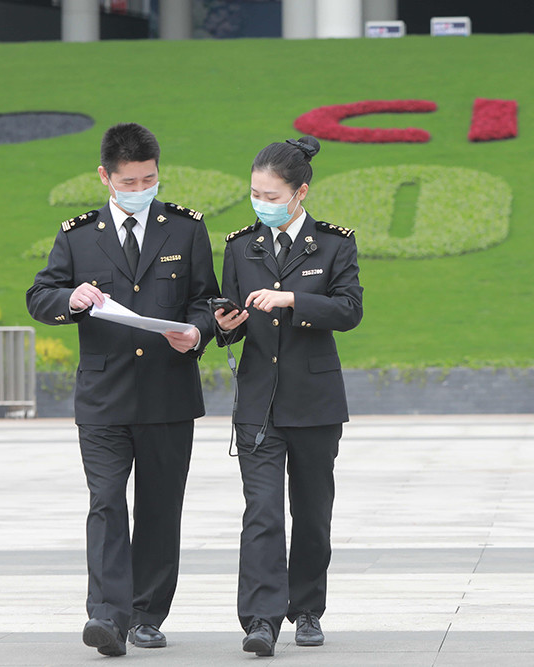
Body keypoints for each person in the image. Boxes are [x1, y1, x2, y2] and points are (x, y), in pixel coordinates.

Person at [26, 123, 219, 657]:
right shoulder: (78, 234)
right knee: (106, 501)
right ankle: (107, 615)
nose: (140, 188)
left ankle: (148, 614)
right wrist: (73, 298)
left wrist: (198, 331)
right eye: (129, 180)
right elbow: (40, 295)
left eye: (149, 178)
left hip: (167, 394)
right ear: (105, 177)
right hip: (104, 398)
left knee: (160, 507)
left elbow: (207, 298)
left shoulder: (185, 229)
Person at [214, 135, 363, 657]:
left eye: (272, 195)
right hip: (257, 403)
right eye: (255, 193)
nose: (262, 203)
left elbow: (348, 311)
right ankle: (260, 619)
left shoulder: (335, 244)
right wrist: (225, 325)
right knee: (262, 512)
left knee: (312, 511)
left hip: (315, 401)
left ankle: (307, 610)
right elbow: (232, 321)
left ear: (300, 192)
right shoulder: (239, 246)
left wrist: (294, 298)